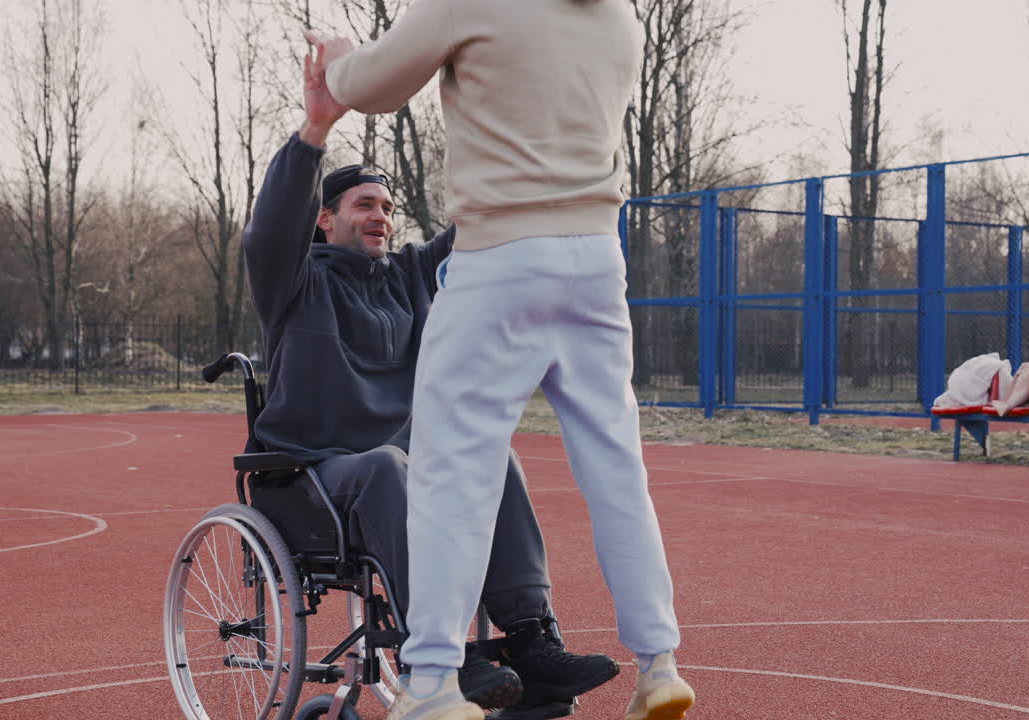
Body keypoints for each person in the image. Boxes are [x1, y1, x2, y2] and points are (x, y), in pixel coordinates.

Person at [307, 2, 696, 719]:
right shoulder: (619, 18)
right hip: (597, 255)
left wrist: (336, 57)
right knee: (617, 468)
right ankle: (659, 664)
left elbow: (376, 85)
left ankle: (430, 679)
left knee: (453, 467)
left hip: (501, 253)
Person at [240, 40, 619, 720]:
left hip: (405, 464)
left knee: (492, 455)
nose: (380, 214)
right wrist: (315, 131)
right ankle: (435, 658)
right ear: (324, 219)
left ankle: (532, 640)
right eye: (362, 204)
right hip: (311, 475)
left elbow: (478, 221)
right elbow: (270, 232)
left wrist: (557, 147)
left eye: (386, 205)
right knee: (387, 464)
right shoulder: (293, 284)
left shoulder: (409, 278)